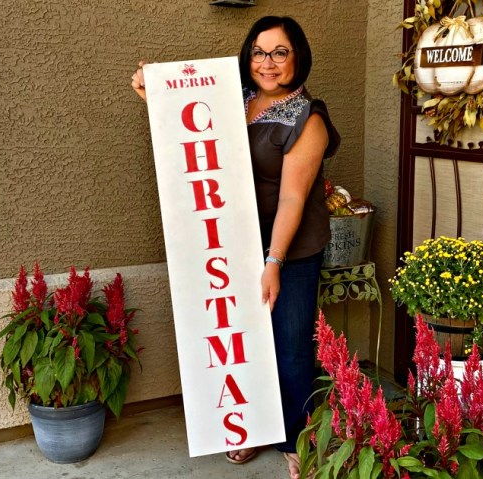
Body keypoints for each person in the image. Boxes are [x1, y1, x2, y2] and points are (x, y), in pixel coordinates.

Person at [131, 16, 339, 479]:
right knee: (236, 339)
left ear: (298, 56)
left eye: (280, 52)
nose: (268, 62)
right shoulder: (234, 100)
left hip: (290, 249)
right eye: (259, 52)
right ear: (248, 57)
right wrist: (157, 94)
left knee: (289, 346)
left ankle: (294, 439)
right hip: (228, 243)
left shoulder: (309, 117)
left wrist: (273, 262)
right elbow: (188, 136)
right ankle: (244, 427)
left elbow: (292, 198)